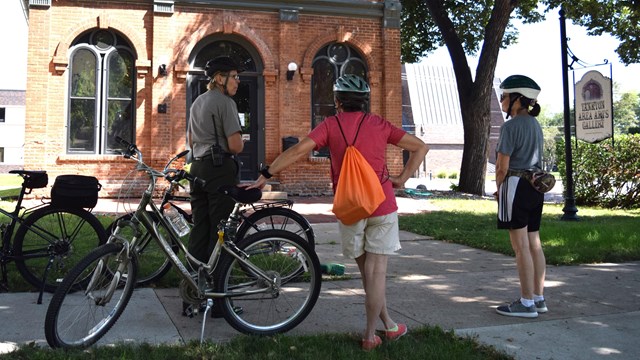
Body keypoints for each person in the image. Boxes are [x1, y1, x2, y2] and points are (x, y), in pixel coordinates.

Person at [246, 74, 429, 350]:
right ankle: (370, 335)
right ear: (364, 102)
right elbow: (420, 147)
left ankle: (389, 326)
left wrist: (266, 173)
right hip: (382, 203)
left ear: (337, 101)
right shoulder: (379, 124)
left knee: (367, 273)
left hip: (350, 207)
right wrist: (402, 178)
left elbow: (297, 151)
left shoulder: (330, 126)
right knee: (376, 272)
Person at [185, 56, 243, 316]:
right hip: (219, 169)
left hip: (196, 168)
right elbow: (235, 146)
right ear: (220, 78)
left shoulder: (197, 102)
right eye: (234, 76)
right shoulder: (226, 103)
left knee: (200, 230)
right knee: (221, 234)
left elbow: (189, 139)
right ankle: (219, 301)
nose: (238, 81)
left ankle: (191, 295)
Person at [494, 75, 548, 319]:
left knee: (520, 247)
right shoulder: (535, 125)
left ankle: (525, 303)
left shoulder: (510, 126)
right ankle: (538, 298)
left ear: (517, 99)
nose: (502, 100)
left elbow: (501, 167)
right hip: (536, 187)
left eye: (504, 95)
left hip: (515, 185)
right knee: (534, 243)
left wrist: (499, 189)